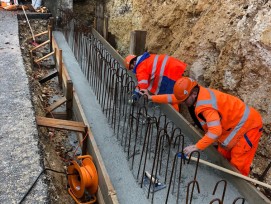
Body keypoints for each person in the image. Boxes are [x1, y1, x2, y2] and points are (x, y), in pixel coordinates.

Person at [173, 77, 263, 176]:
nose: (184, 104)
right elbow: (173, 98)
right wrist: (153, 98)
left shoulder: (205, 106)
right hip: (233, 126)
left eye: (185, 101)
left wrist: (196, 146)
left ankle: (237, 184)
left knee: (238, 164)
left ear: (193, 94)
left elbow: (215, 131)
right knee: (222, 156)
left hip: (249, 125)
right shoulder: (198, 94)